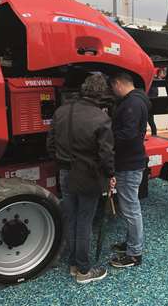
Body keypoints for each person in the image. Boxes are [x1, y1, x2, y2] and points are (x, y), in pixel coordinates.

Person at [47, 74, 116, 284]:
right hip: (88, 174)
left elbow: (50, 143)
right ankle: (84, 271)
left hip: (65, 172)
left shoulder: (62, 111)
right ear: (101, 94)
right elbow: (106, 155)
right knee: (85, 221)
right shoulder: (100, 118)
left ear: (84, 89)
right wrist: (111, 175)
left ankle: (74, 264)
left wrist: (61, 162)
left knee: (71, 217)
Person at [109, 72, 150, 268]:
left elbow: (128, 134)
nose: (112, 92)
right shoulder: (137, 100)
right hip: (132, 161)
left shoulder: (132, 104)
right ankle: (132, 244)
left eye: (112, 87)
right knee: (129, 207)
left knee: (130, 209)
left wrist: (107, 139)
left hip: (129, 163)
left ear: (118, 83)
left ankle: (134, 254)